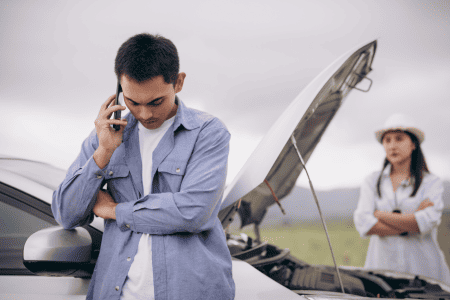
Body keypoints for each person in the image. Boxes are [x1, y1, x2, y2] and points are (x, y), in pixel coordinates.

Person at [52, 33, 235, 300]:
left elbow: (194, 212)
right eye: (132, 102)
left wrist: (115, 210)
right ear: (119, 89)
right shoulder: (105, 136)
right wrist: (103, 152)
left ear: (179, 82)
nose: (145, 114)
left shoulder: (207, 132)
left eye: (155, 102)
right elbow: (66, 214)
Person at [354, 113, 450, 284]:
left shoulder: (431, 182)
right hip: (382, 272)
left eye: (399, 139)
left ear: (413, 144)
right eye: (387, 140)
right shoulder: (371, 181)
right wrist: (411, 220)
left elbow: (427, 222)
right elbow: (363, 223)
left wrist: (380, 215)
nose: (392, 146)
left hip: (424, 273)